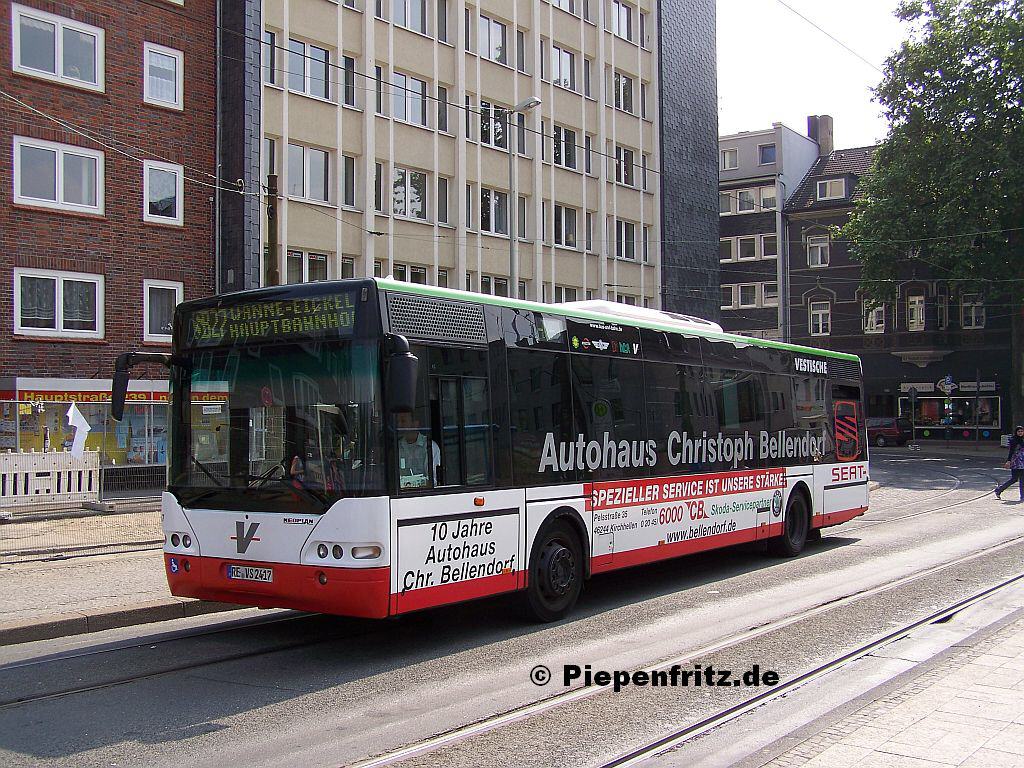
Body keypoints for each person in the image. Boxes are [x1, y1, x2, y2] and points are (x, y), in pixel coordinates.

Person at [395, 411, 440, 488]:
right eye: (397, 422)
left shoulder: (430, 446)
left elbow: (433, 480)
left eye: (403, 421)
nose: (399, 425)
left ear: (415, 424)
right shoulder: (396, 447)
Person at [995, 425, 1024, 501]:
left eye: (1021, 431)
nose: (1020, 433)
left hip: (1023, 461)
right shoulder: (1013, 440)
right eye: (1019, 431)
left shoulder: (1023, 440)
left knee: (1022, 480)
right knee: (1014, 479)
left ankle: (1022, 496)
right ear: (1016, 432)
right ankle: (999, 490)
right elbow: (1011, 451)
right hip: (1016, 461)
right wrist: (1009, 461)